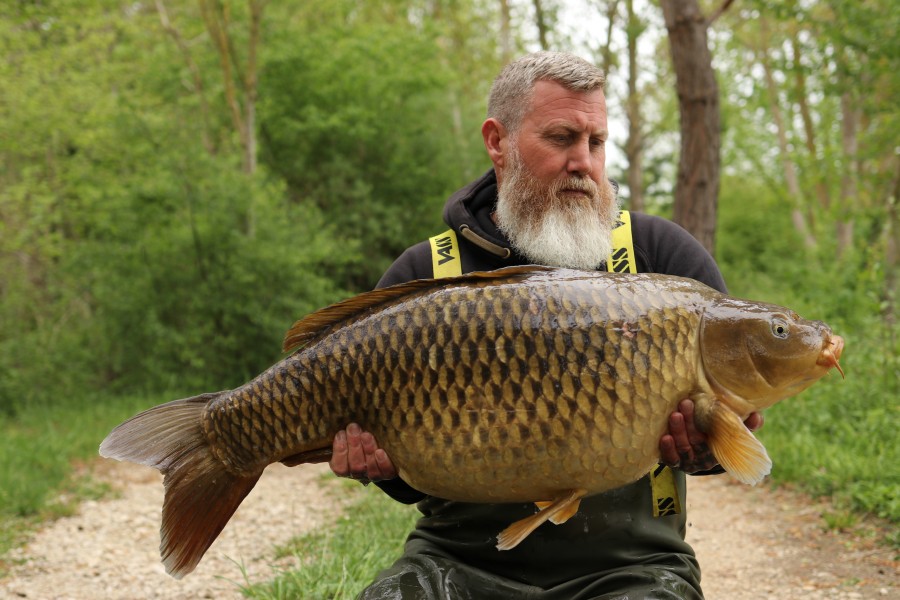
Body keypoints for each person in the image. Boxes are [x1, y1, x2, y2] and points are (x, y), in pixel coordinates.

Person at [329, 51, 763, 600]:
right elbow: (405, 486)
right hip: (456, 562)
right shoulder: (425, 274)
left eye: (596, 142)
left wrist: (703, 449)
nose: (583, 162)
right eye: (561, 138)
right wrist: (377, 466)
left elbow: (722, 448)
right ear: (498, 141)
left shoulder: (663, 257)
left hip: (631, 567)